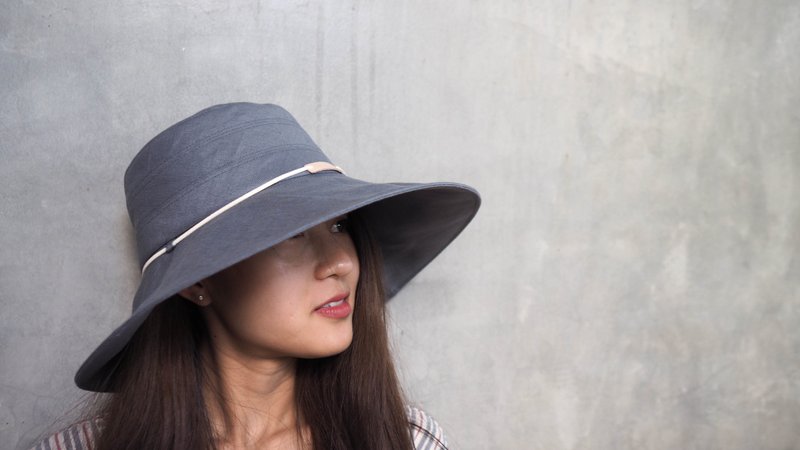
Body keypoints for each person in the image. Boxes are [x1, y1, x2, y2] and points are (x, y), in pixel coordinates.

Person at [31, 103, 480, 450]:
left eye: (340, 226)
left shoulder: (406, 440)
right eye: (292, 233)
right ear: (197, 283)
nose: (340, 263)